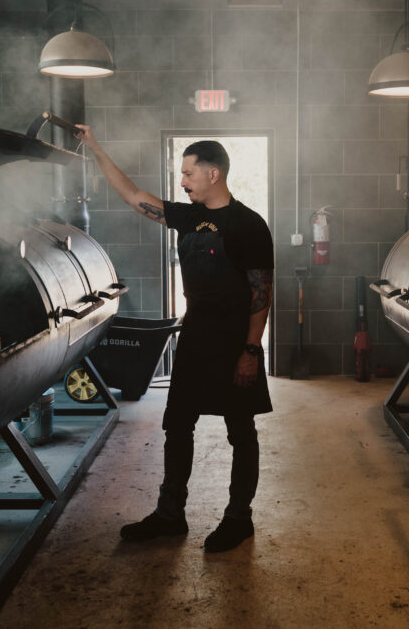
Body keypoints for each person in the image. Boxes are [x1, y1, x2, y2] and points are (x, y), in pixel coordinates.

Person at [75, 125, 274, 553]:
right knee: (177, 426)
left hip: (235, 343)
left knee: (241, 431)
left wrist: (251, 352)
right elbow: (132, 196)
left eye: (187, 173)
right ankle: (170, 515)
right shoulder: (187, 216)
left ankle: (239, 518)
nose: (182, 181)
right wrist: (95, 147)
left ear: (213, 174)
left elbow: (261, 295)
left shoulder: (249, 225)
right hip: (196, 338)